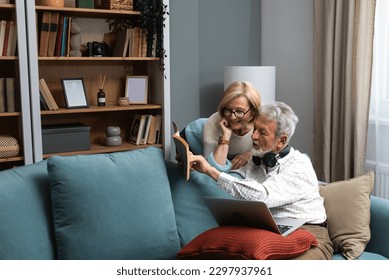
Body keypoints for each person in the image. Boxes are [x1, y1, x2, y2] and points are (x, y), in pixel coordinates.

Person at [189, 101, 333, 260]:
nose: (254, 135)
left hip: (310, 233)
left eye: (262, 132)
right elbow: (230, 180)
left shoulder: (299, 166)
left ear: (281, 141)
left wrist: (211, 171)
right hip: (270, 232)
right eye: (255, 128)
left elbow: (263, 197)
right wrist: (199, 165)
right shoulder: (256, 159)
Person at [202, 81, 261, 170]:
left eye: (239, 111)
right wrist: (226, 136)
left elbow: (273, 151)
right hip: (195, 136)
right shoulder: (213, 123)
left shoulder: (263, 121)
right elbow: (212, 169)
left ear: (253, 111)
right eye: (228, 110)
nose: (232, 118)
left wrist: (251, 154)